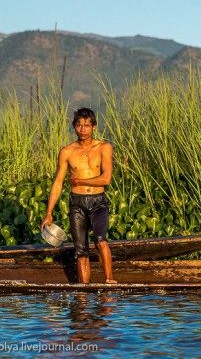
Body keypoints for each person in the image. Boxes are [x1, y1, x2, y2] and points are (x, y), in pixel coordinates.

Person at [41, 108, 116, 284]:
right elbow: (58, 183)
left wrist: (80, 181)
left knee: (100, 239)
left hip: (98, 202)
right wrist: (49, 212)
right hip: (77, 203)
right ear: (74, 127)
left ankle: (109, 280)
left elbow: (106, 179)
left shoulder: (104, 147)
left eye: (87, 126)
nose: (83, 129)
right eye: (79, 125)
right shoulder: (67, 152)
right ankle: (84, 289)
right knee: (81, 249)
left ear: (94, 127)